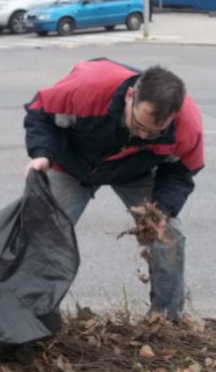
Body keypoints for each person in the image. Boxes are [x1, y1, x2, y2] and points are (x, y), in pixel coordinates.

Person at [23, 59, 204, 320]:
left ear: (173, 117)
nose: (143, 135)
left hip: (135, 170)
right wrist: (42, 154)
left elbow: (181, 173)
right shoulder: (89, 88)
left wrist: (162, 210)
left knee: (170, 234)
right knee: (44, 231)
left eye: (154, 133)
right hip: (74, 162)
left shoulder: (187, 126)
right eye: (138, 125)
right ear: (130, 96)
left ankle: (165, 319)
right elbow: (40, 112)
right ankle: (32, 314)